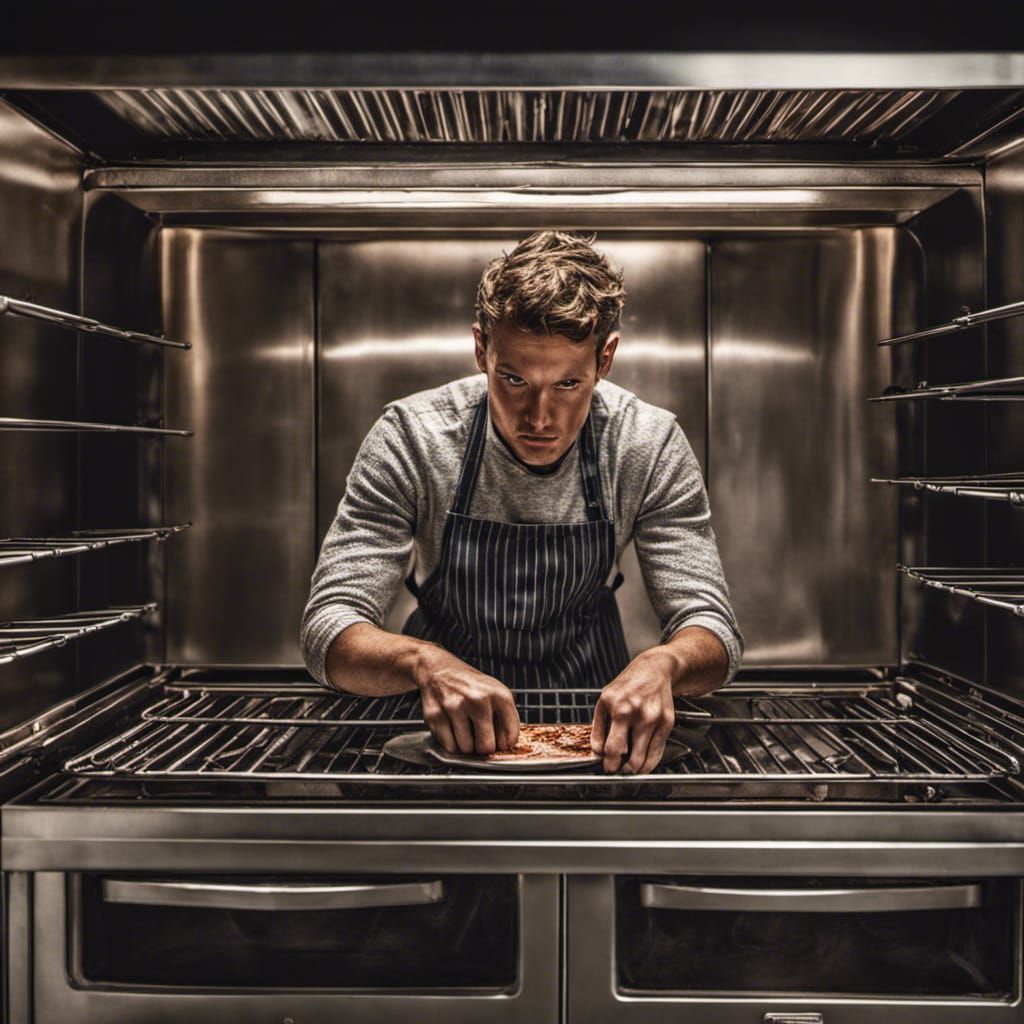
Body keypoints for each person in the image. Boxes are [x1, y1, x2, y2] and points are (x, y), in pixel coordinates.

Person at [301, 231, 742, 774]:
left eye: (567, 385)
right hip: (436, 728)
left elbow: (711, 625)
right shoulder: (411, 438)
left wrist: (664, 664)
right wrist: (425, 663)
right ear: (481, 349)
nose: (538, 417)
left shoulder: (645, 444)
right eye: (512, 379)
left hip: (593, 725)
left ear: (605, 358)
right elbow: (329, 624)